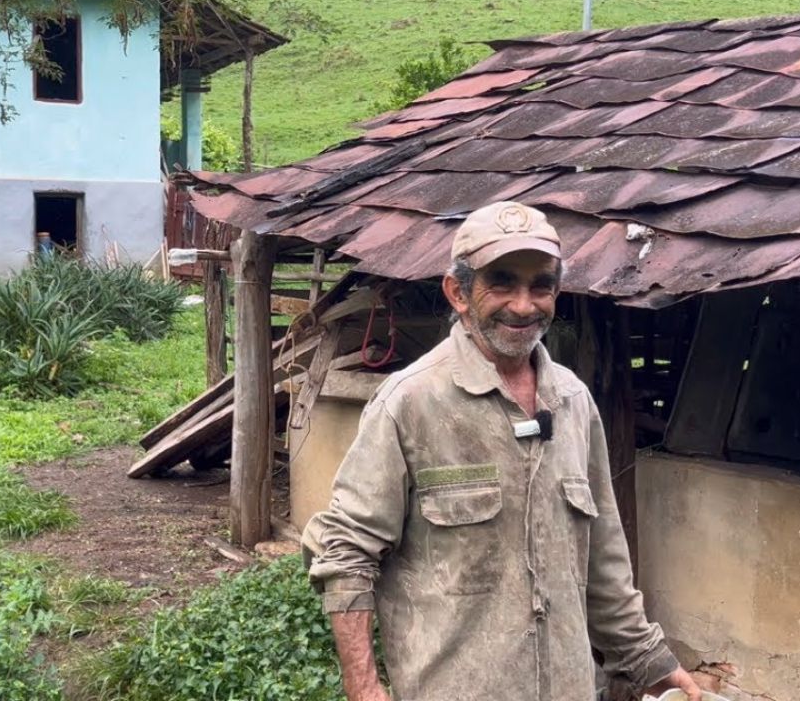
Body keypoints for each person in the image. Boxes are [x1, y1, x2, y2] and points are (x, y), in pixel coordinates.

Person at [301, 201, 702, 701]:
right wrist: (363, 687)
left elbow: (604, 563)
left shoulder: (574, 403)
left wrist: (649, 663)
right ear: (459, 292)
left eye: (541, 286)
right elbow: (346, 554)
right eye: (502, 282)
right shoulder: (409, 403)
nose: (523, 304)